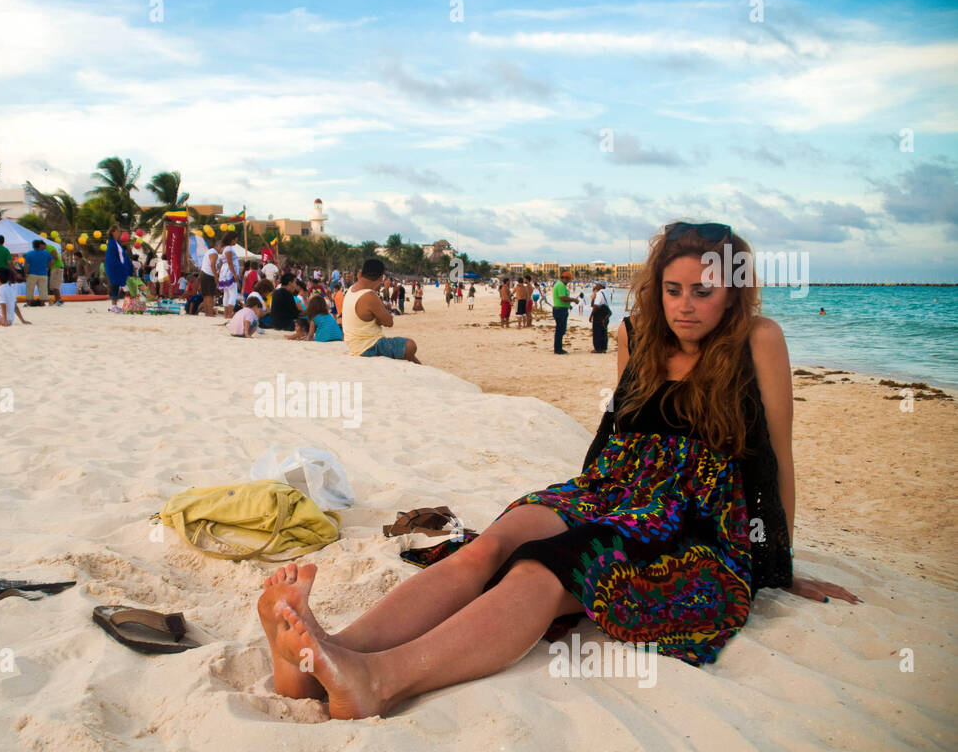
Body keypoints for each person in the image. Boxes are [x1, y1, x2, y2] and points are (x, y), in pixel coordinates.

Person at [254, 220, 859, 719]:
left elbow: (776, 456)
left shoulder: (758, 340)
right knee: (488, 546)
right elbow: (620, 435)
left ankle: (378, 681)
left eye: (703, 291)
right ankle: (321, 659)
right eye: (673, 289)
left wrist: (776, 564)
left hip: (690, 519)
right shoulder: (636, 335)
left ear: (733, 290)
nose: (685, 306)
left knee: (547, 570)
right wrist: (582, 502)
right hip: (613, 489)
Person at [342, 259, 420, 362]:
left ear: (361, 273)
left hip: (353, 345)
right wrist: (383, 310)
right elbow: (389, 322)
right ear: (380, 278)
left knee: (407, 353)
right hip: (369, 347)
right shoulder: (369, 295)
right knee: (411, 345)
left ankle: (416, 364)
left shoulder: (352, 289)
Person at [105, 227, 132, 313]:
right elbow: (111, 256)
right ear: (113, 232)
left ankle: (116, 306)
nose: (119, 233)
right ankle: (121, 306)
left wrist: (129, 265)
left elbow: (123, 256)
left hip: (121, 268)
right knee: (123, 288)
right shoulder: (111, 243)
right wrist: (119, 266)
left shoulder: (117, 243)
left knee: (118, 287)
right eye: (118, 231)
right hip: (116, 268)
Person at [217, 232, 242, 319]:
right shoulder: (229, 249)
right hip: (229, 273)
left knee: (227, 294)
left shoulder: (225, 248)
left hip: (225, 272)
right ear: (232, 239)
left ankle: (226, 314)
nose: (236, 241)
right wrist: (235, 275)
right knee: (233, 294)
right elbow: (230, 263)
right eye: (236, 239)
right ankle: (229, 313)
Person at [552, 270, 576, 353]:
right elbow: (562, 297)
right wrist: (573, 299)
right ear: (565, 278)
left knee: (560, 330)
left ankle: (558, 348)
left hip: (560, 309)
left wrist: (568, 305)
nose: (569, 282)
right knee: (560, 330)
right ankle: (558, 349)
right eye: (569, 280)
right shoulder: (561, 285)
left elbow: (560, 299)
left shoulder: (559, 284)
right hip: (560, 310)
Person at [24, 239, 52, 306]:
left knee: (30, 289)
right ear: (40, 245)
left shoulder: (29, 253)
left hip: (32, 274)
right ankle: (42, 303)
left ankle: (29, 303)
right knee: (43, 289)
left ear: (33, 246)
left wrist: (26, 273)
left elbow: (26, 265)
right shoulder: (46, 253)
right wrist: (47, 267)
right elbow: (51, 261)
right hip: (43, 274)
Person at [591, 282, 612, 353]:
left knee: (597, 332)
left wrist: (591, 316)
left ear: (601, 286)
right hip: (605, 314)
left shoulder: (600, 293)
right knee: (604, 331)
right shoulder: (607, 293)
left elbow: (595, 305)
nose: (596, 286)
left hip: (599, 314)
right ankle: (604, 348)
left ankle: (598, 348)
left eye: (597, 285)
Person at [46, 241, 65, 305]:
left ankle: (59, 300)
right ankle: (57, 300)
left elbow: (55, 256)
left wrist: (48, 267)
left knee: (55, 285)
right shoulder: (46, 249)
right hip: (54, 268)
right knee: (52, 286)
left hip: (57, 267)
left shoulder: (49, 247)